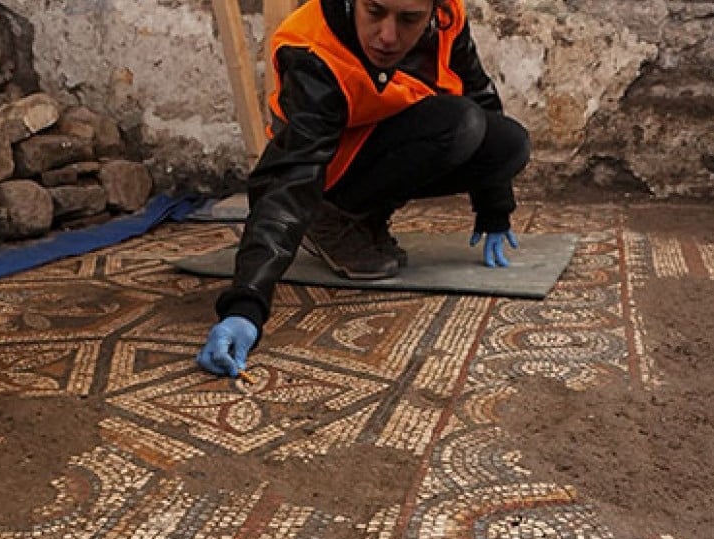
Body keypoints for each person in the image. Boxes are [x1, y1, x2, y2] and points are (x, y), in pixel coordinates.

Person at [197, 0, 530, 378]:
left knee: (505, 141)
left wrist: (494, 205)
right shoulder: (311, 48)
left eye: (409, 20)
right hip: (324, 167)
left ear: (433, 11)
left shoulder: (448, 18)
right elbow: (290, 177)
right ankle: (330, 214)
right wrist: (246, 305)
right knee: (461, 122)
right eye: (374, 12)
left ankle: (364, 215)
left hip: (389, 134)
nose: (388, 37)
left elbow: (479, 96)